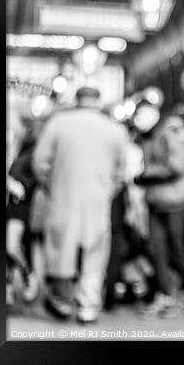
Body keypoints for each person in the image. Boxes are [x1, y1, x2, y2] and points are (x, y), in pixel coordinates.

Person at [32, 86, 129, 323]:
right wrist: (107, 189)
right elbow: (122, 170)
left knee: (61, 249)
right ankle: (89, 305)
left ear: (77, 100)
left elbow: (40, 162)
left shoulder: (58, 123)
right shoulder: (115, 129)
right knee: (95, 252)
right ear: (98, 101)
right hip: (98, 200)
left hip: (63, 196)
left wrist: (52, 184)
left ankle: (63, 300)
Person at [134, 102, 184, 318]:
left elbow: (178, 166)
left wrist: (146, 175)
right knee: (158, 250)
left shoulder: (166, 136)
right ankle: (166, 295)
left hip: (175, 202)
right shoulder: (149, 137)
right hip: (157, 201)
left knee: (176, 248)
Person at [6, 117, 40, 308]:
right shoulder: (14, 146)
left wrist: (18, 185)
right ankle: (7, 288)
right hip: (10, 204)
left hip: (19, 204)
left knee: (11, 246)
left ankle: (29, 275)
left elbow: (35, 176)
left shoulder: (31, 149)